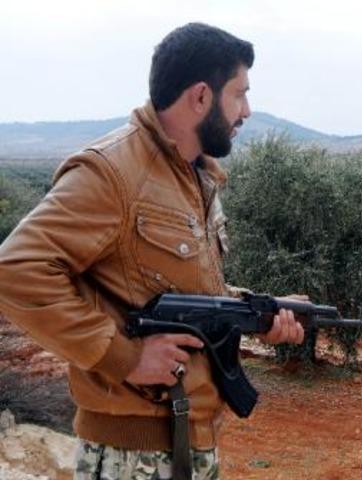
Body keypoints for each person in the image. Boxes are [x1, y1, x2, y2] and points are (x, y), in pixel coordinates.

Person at [0, 23, 304, 479]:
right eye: (239, 94)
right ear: (201, 96)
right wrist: (125, 357)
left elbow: (178, 289)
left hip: (189, 441)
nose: (247, 110)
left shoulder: (193, 175)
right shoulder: (113, 172)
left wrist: (260, 313)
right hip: (133, 456)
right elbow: (15, 268)